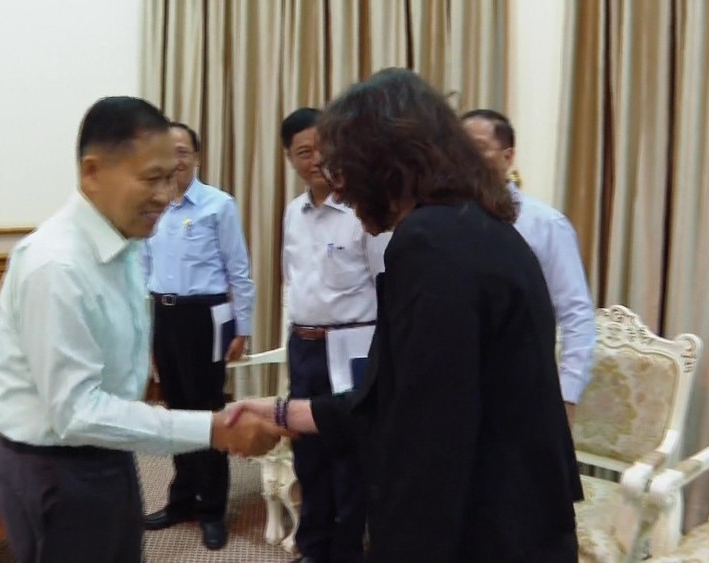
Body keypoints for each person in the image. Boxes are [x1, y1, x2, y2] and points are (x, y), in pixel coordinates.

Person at [228, 69, 583, 562]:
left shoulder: (429, 244)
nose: (340, 190)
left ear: (384, 163)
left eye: (344, 169)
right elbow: (404, 397)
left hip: (482, 526)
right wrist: (285, 413)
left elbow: (427, 437)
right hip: (518, 512)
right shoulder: (476, 224)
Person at [0, 96, 287, 563]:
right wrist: (214, 429)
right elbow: (77, 411)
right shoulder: (57, 266)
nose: (166, 195)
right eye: (151, 179)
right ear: (92, 172)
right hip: (59, 468)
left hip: (108, 451)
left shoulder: (124, 243)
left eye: (171, 177)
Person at [280, 107, 390, 563]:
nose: (317, 160)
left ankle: (346, 553)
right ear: (290, 158)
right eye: (304, 152)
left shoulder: (362, 211)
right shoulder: (293, 212)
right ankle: (313, 547)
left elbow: (386, 285)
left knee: (348, 456)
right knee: (307, 453)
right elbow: (291, 281)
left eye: (323, 148)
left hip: (351, 349)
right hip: (303, 345)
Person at [140, 121, 256, 550]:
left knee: (207, 411)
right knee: (174, 412)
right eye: (167, 152)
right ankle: (181, 500)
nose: (176, 160)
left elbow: (238, 270)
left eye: (183, 151)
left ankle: (212, 510)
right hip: (164, 316)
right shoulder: (151, 207)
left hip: (206, 317)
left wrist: (242, 326)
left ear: (197, 157)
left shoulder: (217, 205)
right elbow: (143, 268)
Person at [460, 109, 596, 421]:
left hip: (522, 385)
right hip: (458, 387)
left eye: (478, 148)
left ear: (508, 157)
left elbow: (575, 312)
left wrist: (568, 394)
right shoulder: (443, 222)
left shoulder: (545, 224)